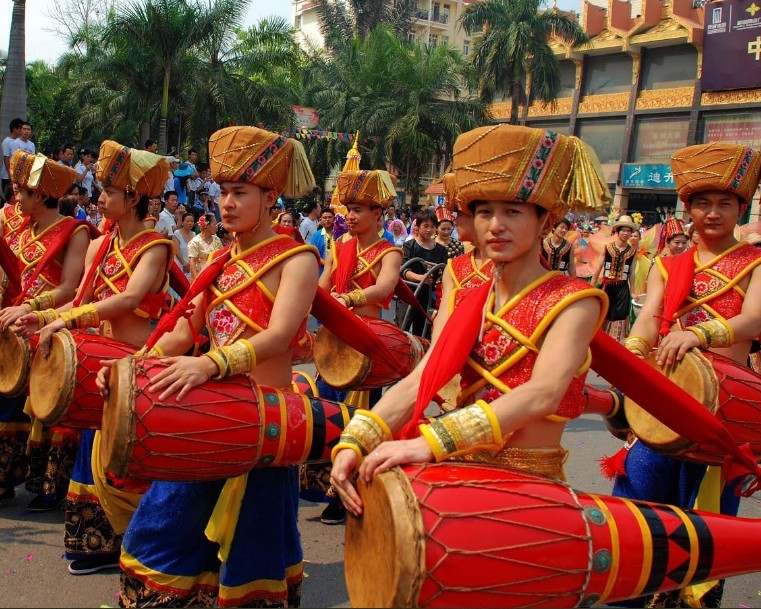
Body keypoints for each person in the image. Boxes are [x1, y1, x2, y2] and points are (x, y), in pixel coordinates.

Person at [330, 124, 608, 519]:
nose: (496, 225)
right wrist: (357, 438)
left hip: (531, 491)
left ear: (547, 221)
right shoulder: (467, 293)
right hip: (460, 473)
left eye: (512, 211)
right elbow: (426, 374)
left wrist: (430, 441)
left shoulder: (574, 300)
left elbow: (542, 393)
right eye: (484, 212)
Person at [103, 125, 319, 607]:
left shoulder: (298, 259)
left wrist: (209, 366)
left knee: (254, 551)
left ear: (270, 196)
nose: (226, 203)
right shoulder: (218, 261)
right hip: (211, 409)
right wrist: (134, 367)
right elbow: (184, 331)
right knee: (164, 527)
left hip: (265, 419)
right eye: (222, 192)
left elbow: (279, 335)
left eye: (239, 192)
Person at [610, 142, 761, 608]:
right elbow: (649, 319)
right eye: (701, 202)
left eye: (724, 203)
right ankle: (635, 592)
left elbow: (754, 320)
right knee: (639, 504)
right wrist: (630, 360)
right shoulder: (667, 264)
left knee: (707, 520)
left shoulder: (756, 263)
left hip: (724, 411)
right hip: (666, 400)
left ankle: (694, 595)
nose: (712, 213)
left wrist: (699, 335)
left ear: (741, 206)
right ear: (687, 207)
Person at [15, 141, 173, 576]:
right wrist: (40, 316)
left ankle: (144, 541)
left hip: (133, 364)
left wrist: (71, 318)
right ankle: (98, 544)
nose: (99, 199)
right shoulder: (100, 244)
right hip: (99, 365)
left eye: (108, 191)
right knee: (93, 455)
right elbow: (78, 297)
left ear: (134, 199)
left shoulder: (154, 246)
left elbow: (132, 298)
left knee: (125, 464)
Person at [313, 169, 403, 524]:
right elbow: (321, 287)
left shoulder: (390, 251)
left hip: (368, 345)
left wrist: (346, 299)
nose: (350, 215)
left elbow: (384, 290)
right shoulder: (338, 248)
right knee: (327, 413)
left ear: (378, 215)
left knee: (360, 419)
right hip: (336, 340)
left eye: (359, 209)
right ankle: (329, 484)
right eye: (348, 208)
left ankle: (352, 491)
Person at [0, 152, 88, 509]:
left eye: (23, 191)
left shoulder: (74, 231)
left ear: (41, 196)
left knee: (45, 407)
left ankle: (46, 485)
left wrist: (32, 310)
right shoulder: (18, 230)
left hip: (49, 323)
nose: (16, 198)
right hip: (15, 325)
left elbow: (69, 287)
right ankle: (5, 478)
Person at [399, 209, 448, 337]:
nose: (429, 230)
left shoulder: (441, 250)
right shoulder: (409, 245)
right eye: (425, 226)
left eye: (432, 227)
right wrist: (421, 278)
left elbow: (444, 272)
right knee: (401, 329)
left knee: (423, 333)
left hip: (428, 297)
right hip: (409, 294)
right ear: (418, 226)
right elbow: (404, 270)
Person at [592, 215, 638, 342]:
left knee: (619, 316)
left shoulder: (633, 251)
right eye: (623, 230)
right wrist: (592, 284)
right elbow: (598, 267)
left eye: (629, 231)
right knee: (603, 313)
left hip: (623, 287)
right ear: (617, 232)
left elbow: (632, 273)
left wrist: (633, 291)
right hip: (607, 286)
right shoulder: (607, 247)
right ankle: (599, 341)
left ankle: (614, 342)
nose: (626, 233)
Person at [187, 213, 223, 282]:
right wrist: (196, 279)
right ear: (207, 225)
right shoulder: (195, 242)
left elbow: (221, 255)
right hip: (202, 275)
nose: (216, 226)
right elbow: (192, 262)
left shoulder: (216, 239)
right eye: (214, 224)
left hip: (216, 275)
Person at [1, 118, 23, 201]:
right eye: (20, 128)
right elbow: (6, 157)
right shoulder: (7, 141)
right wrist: (10, 174)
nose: (22, 131)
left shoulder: (18, 142)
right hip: (7, 176)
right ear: (14, 128)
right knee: (8, 197)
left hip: (16, 176)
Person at [310, 207, 335, 274]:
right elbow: (315, 255)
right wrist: (328, 265)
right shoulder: (316, 236)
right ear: (320, 220)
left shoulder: (340, 234)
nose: (327, 219)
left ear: (334, 219)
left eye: (330, 217)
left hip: (338, 269)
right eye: (324, 218)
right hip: (322, 271)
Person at [172, 212, 195, 279]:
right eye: (187, 221)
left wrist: (190, 265)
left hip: (191, 266)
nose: (190, 223)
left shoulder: (194, 234)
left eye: (191, 221)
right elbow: (177, 251)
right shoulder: (177, 233)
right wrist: (184, 263)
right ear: (182, 222)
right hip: (179, 265)